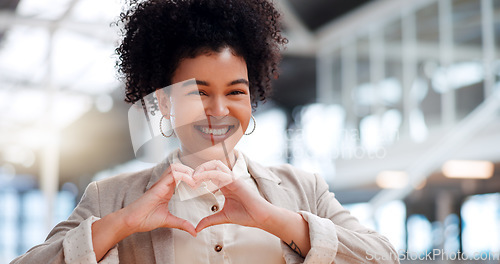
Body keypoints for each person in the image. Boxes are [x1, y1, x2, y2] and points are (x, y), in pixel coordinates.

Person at [11, 0, 399, 263]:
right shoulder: (111, 198)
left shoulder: (303, 190)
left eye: (235, 92)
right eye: (198, 93)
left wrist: (272, 218)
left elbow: (382, 256)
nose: (218, 110)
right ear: (164, 102)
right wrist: (124, 223)